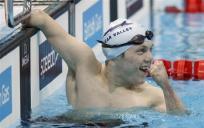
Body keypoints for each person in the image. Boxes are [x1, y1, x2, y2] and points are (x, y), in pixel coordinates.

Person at [24, 10, 186, 114]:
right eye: (141, 51)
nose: (150, 57)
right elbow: (42, 20)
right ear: (115, 56)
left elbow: (179, 121)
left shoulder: (151, 96)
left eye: (150, 49)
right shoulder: (84, 67)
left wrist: (165, 86)